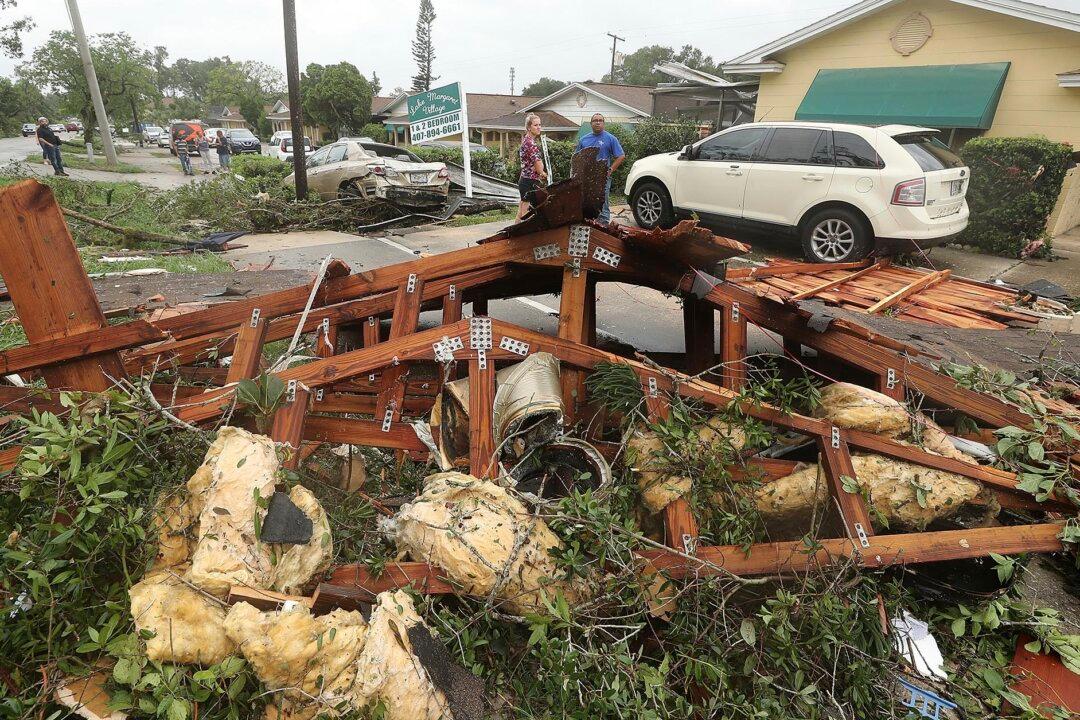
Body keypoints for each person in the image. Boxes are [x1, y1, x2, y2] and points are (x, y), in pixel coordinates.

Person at [573, 113, 624, 224]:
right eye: (595, 120)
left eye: (600, 120)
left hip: (603, 178)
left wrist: (610, 170)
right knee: (586, 202)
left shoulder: (610, 139)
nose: (598, 122)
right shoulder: (583, 140)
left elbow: (621, 156)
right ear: (591, 124)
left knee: (603, 203)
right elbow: (577, 159)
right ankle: (588, 224)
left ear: (603, 123)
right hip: (587, 178)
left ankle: (604, 227)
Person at [517, 113, 547, 221]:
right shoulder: (530, 144)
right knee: (526, 215)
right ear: (529, 127)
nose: (539, 127)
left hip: (524, 180)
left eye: (539, 124)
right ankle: (524, 237)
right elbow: (538, 166)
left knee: (521, 212)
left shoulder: (527, 140)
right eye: (535, 125)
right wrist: (543, 173)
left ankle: (513, 237)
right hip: (530, 181)